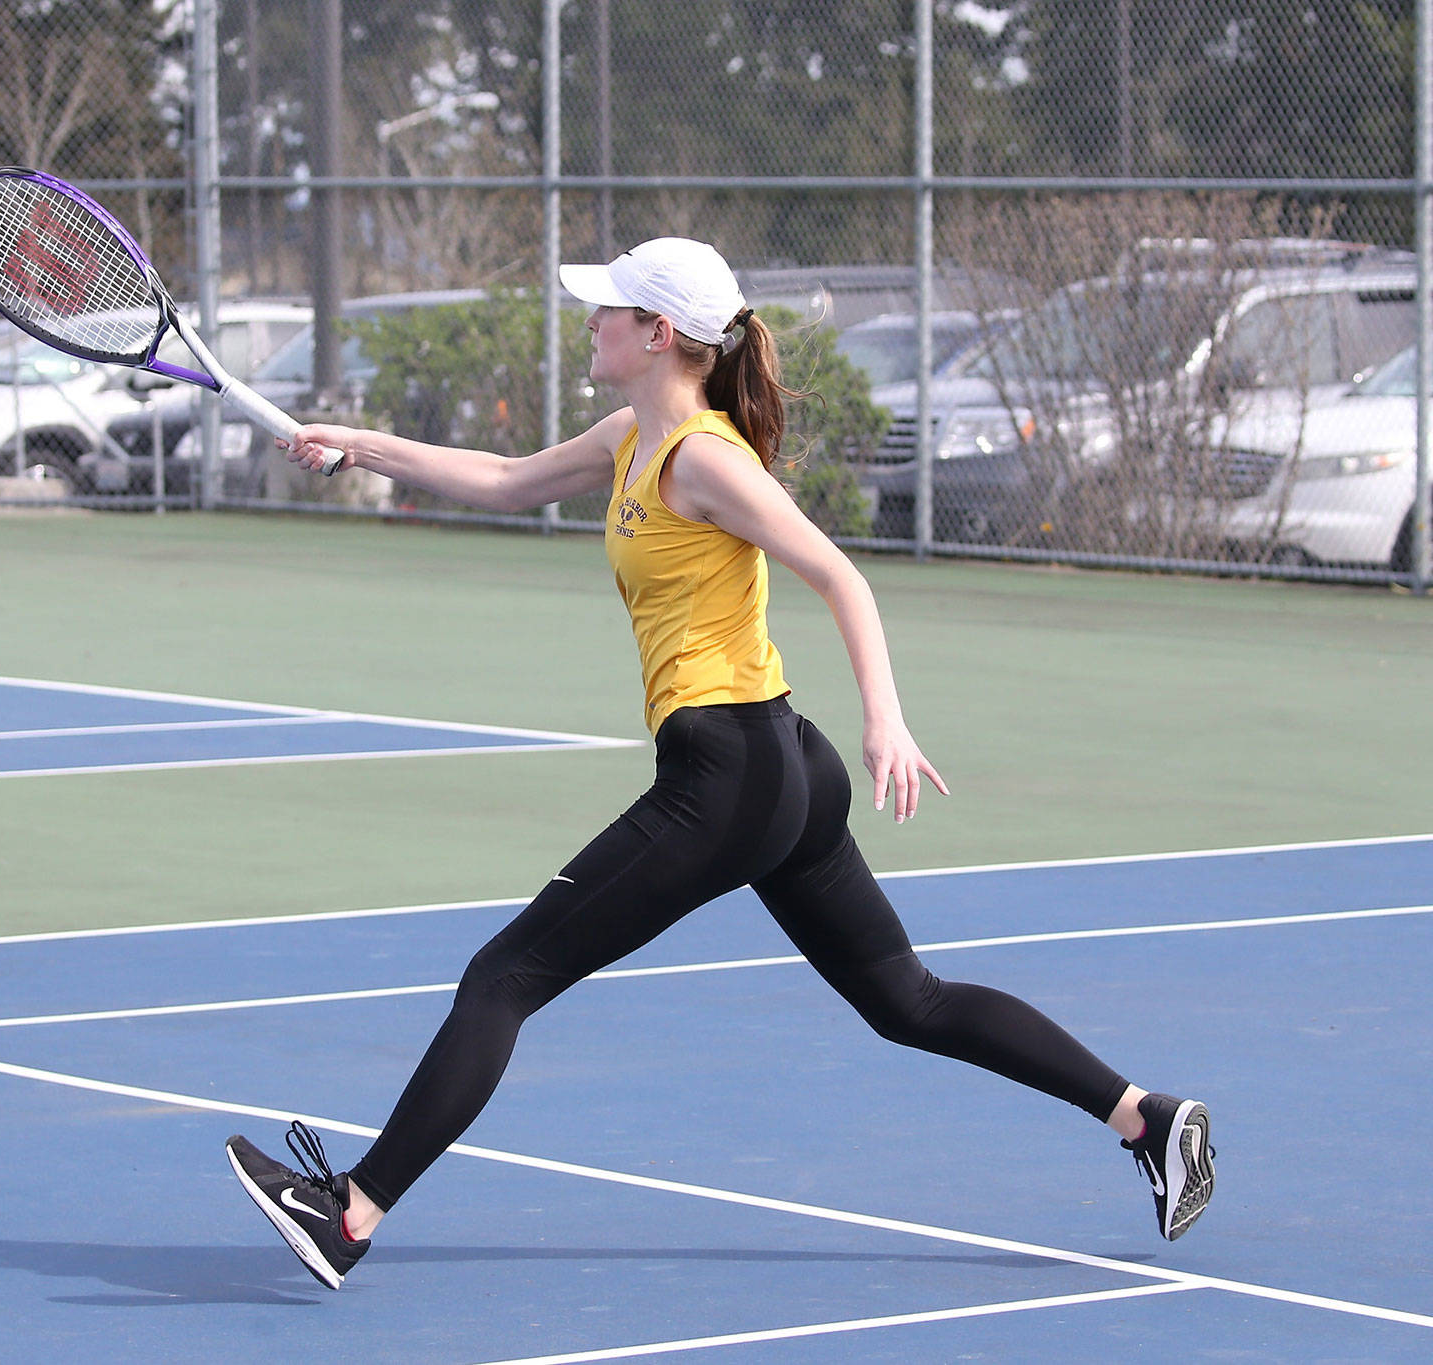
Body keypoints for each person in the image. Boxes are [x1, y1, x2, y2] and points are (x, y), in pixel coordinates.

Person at [225, 238, 1214, 1290]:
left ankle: (351, 1214)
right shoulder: (631, 436)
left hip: (729, 774)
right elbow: (508, 480)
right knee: (905, 1001)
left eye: (609, 310)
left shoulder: (703, 458)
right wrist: (357, 446)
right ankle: (1143, 1119)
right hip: (780, 763)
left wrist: (886, 717)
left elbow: (838, 575)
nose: (591, 321)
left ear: (657, 335)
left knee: (503, 977)